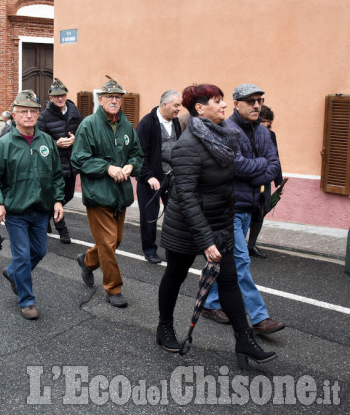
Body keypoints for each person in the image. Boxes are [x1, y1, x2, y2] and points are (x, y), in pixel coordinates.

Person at [157, 84, 276, 367]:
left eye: (223, 101)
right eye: (217, 101)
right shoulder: (187, 145)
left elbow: (227, 188)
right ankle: (164, 328)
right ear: (199, 108)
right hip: (187, 225)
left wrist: (223, 227)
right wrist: (207, 241)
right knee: (175, 275)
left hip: (220, 224)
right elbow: (185, 197)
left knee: (229, 282)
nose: (224, 106)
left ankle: (244, 341)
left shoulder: (226, 138)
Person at [202, 84, 285, 335]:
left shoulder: (264, 133)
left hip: (251, 206)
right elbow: (235, 166)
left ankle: (209, 303)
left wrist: (255, 174)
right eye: (251, 101)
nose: (257, 105)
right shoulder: (225, 130)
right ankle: (260, 317)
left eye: (259, 100)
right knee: (241, 259)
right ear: (236, 104)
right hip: (229, 208)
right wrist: (258, 170)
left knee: (223, 258)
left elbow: (273, 165)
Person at [0, 90, 65, 320]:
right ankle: (27, 300)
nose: (29, 116)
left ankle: (11, 273)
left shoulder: (46, 141)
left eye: (33, 112)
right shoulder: (4, 144)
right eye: (23, 112)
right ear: (15, 116)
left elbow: (57, 175)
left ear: (38, 114)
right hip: (16, 212)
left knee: (39, 250)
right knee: (22, 256)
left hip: (40, 210)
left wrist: (58, 200)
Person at [70, 76, 143, 308]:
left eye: (118, 97)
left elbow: (137, 154)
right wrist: (107, 168)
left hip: (120, 195)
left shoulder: (126, 125)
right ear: (100, 100)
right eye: (110, 97)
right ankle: (114, 288)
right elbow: (78, 159)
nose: (115, 100)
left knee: (115, 241)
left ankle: (88, 260)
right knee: (109, 242)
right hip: (99, 194)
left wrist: (131, 165)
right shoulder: (88, 124)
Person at [136, 90, 183, 264]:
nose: (179, 109)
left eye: (180, 105)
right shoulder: (147, 123)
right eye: (176, 105)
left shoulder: (176, 122)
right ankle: (149, 250)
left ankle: (172, 249)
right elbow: (139, 154)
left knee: (174, 216)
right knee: (150, 216)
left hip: (171, 178)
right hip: (151, 180)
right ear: (165, 105)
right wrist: (148, 176)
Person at [37, 78, 82, 244]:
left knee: (68, 194)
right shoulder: (44, 116)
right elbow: (38, 141)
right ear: (50, 98)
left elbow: (83, 133)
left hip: (72, 163)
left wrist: (76, 139)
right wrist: (55, 144)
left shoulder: (74, 112)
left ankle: (47, 215)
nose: (60, 98)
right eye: (56, 96)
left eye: (62, 95)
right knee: (57, 196)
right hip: (53, 165)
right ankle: (62, 228)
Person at [247, 105, 283, 258]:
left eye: (269, 122)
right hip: (249, 179)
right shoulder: (246, 133)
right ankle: (239, 246)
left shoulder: (271, 135)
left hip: (266, 179)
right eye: (264, 121)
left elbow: (276, 157)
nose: (266, 125)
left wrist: (278, 180)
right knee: (246, 212)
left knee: (261, 212)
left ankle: (251, 245)